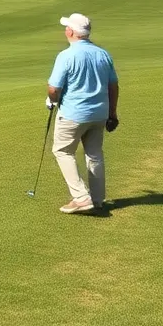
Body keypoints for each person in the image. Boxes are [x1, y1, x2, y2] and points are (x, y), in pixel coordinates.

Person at [47, 12, 120, 214]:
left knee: (62, 151)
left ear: (71, 31)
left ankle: (80, 197)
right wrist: (112, 114)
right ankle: (97, 200)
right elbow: (113, 86)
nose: (65, 30)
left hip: (73, 114)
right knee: (95, 154)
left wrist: (52, 101)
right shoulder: (103, 54)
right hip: (99, 114)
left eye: (66, 27)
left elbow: (53, 89)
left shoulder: (66, 55)